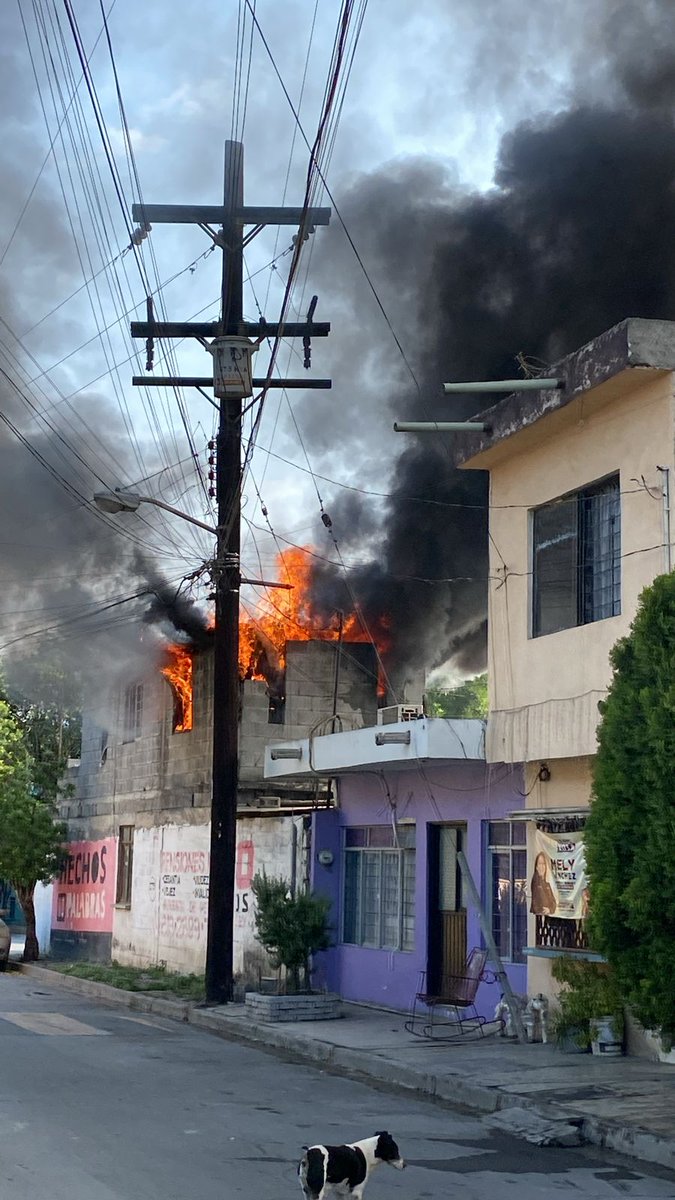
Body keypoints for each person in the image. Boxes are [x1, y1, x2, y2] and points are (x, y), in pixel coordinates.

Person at [530, 851, 557, 916]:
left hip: (549, 917)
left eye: (544, 864)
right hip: (541, 916)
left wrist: (550, 909)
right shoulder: (535, 882)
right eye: (540, 863)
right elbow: (539, 901)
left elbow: (554, 902)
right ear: (536, 867)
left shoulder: (547, 884)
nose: (542, 866)